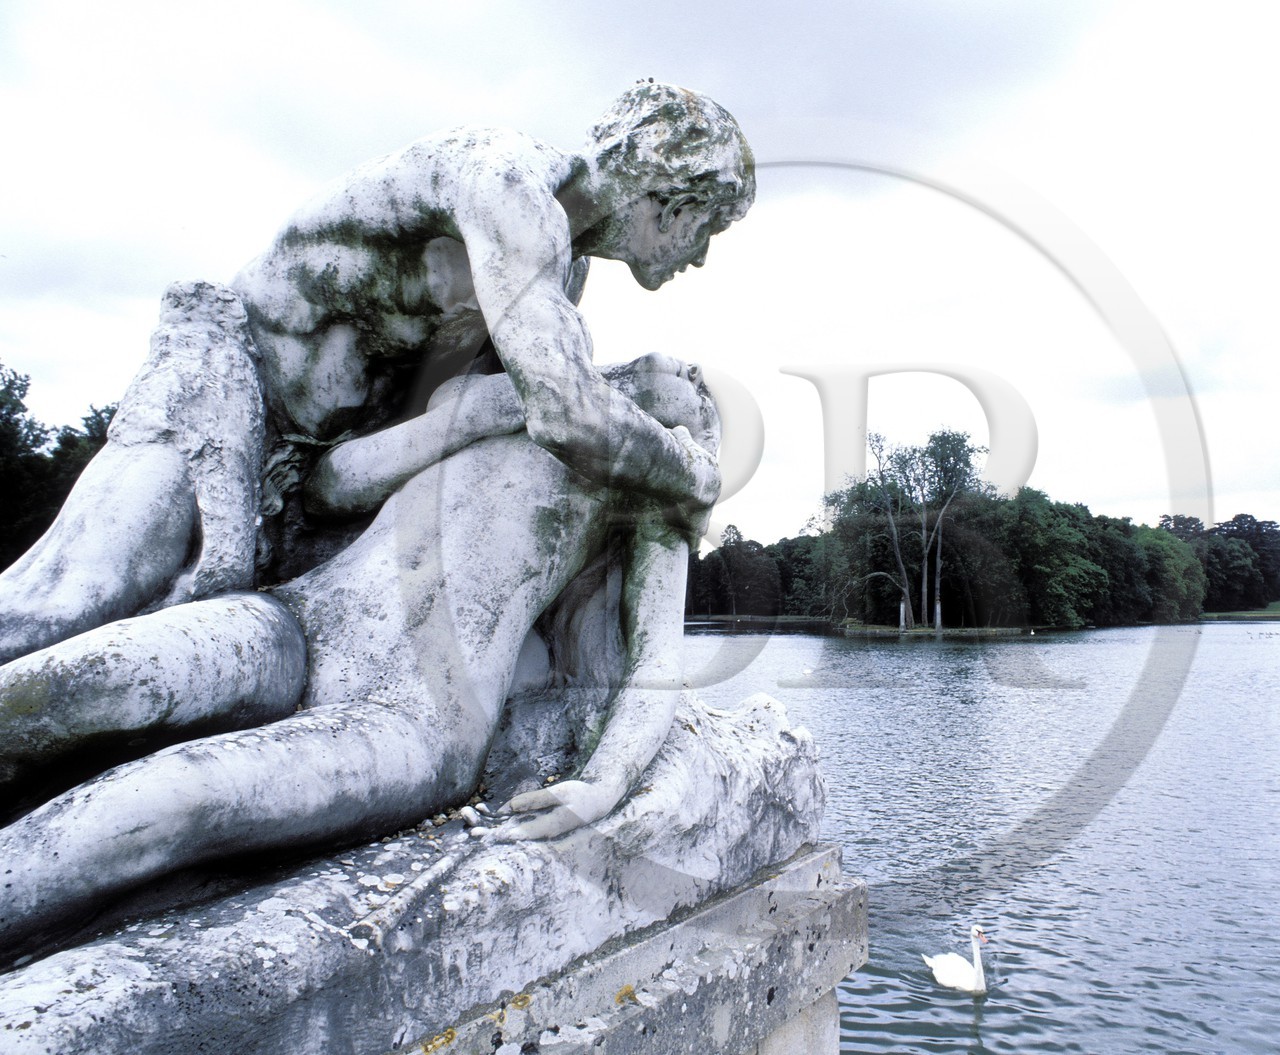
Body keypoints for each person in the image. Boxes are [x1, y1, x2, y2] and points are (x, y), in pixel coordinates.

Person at [0, 81, 753, 662]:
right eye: (711, 228)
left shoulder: (554, 286)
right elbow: (566, 412)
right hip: (231, 389)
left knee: (189, 652)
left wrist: (500, 413)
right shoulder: (504, 187)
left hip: (313, 491)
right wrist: (694, 474)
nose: (703, 257)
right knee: (70, 601)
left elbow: (348, 477)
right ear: (673, 199)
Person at [0, 353, 718, 953]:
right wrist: (486, 413)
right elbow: (332, 484)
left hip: (411, 715)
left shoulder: (656, 480)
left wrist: (603, 783)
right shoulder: (491, 393)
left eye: (700, 398)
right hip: (303, 619)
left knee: (168, 800)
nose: (686, 377)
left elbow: (656, 662)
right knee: (67, 684)